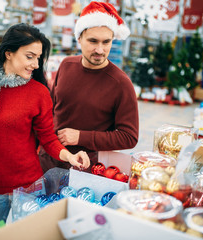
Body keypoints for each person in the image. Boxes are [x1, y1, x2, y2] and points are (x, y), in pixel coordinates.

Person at [0, 23, 90, 228]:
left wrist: (70, 156)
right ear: (8, 53)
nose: (36, 65)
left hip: (29, 186)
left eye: (38, 57)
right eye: (30, 56)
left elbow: (48, 138)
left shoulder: (39, 92)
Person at [40, 1, 139, 173]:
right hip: (48, 161)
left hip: (86, 170)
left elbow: (129, 137)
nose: (100, 50)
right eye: (93, 41)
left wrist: (80, 136)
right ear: (79, 38)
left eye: (106, 42)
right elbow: (52, 108)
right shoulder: (66, 65)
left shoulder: (121, 83)